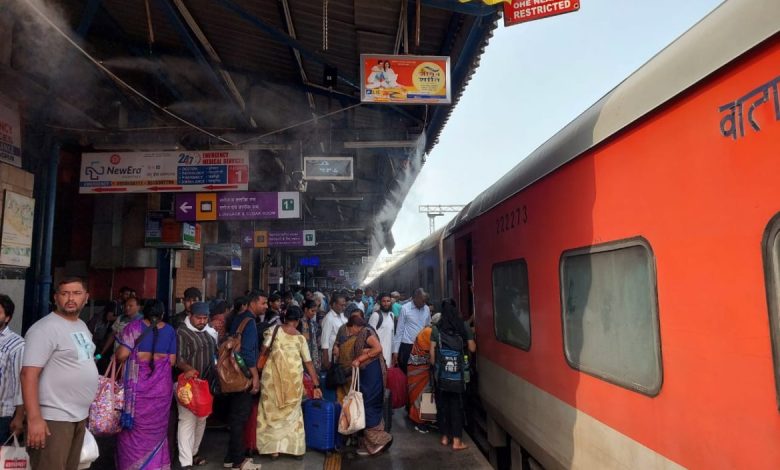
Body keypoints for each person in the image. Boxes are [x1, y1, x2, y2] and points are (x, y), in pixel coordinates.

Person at [21, 278, 99, 470]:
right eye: (65, 294)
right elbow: (28, 374)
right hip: (53, 418)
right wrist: (34, 418)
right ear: (55, 298)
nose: (70, 298)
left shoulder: (81, 325)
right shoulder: (44, 329)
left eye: (76, 293)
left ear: (86, 297)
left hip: (78, 417)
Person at [115, 299, 177, 470]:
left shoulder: (133, 328)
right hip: (161, 392)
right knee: (156, 432)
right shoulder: (170, 331)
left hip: (137, 393)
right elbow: (171, 361)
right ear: (163, 314)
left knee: (132, 433)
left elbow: (121, 356)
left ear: (144, 312)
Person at [256, 306, 322, 458]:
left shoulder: (274, 331)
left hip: (272, 379)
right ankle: (294, 448)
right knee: (292, 414)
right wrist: (316, 384)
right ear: (298, 321)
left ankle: (272, 449)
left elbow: (263, 350)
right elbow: (309, 362)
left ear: (285, 318)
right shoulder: (300, 338)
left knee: (271, 412)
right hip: (293, 382)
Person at [335, 314, 392, 456]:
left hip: (373, 377)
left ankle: (380, 441)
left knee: (369, 405)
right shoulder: (363, 333)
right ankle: (370, 445)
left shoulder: (366, 332)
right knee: (365, 404)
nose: (350, 334)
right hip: (368, 376)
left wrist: (360, 358)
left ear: (354, 326)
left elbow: (377, 348)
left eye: (350, 331)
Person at [224, 291, 265, 470]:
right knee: (240, 417)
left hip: (233, 375)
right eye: (263, 303)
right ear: (253, 303)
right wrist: (255, 376)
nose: (265, 306)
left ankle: (230, 457)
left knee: (235, 416)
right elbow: (248, 353)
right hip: (243, 376)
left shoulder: (238, 319)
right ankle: (238, 462)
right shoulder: (249, 323)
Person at [430, 299, 476, 451]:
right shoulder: (462, 326)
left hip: (441, 375)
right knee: (456, 406)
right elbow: (472, 348)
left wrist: (437, 366)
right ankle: (457, 441)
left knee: (442, 405)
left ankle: (444, 437)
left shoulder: (436, 329)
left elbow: (431, 356)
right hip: (458, 375)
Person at [176, 302, 217, 469]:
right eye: (198, 318)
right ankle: (185, 462)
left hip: (205, 385)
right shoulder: (182, 332)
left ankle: (193, 453)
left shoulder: (208, 332)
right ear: (190, 316)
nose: (202, 321)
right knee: (187, 420)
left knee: (201, 419)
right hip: (187, 385)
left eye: (205, 318)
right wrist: (188, 368)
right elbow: (178, 359)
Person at [0, 294, 24, 443]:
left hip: (3, 416)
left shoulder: (16, 345)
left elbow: (21, 383)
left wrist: (19, 416)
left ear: (7, 318)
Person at [392, 288, 431, 375]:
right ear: (415, 298)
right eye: (422, 301)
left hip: (422, 347)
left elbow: (428, 326)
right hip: (407, 346)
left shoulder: (426, 309)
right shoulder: (405, 308)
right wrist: (396, 351)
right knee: (405, 371)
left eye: (425, 301)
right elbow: (399, 330)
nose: (424, 303)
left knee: (420, 372)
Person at [333, 304, 365, 402]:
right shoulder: (343, 328)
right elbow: (337, 342)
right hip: (342, 368)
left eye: (358, 318)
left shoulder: (363, 331)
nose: (355, 320)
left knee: (354, 396)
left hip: (355, 369)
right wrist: (336, 347)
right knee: (341, 396)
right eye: (353, 317)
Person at [97, 295, 142, 359]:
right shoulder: (121, 318)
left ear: (138, 307)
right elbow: (112, 335)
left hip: (133, 359)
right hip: (116, 356)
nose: (127, 308)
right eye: (125, 306)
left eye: (130, 306)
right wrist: (103, 352)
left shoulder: (142, 321)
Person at [407, 325, 433, 429]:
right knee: (422, 395)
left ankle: (421, 419)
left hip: (416, 369)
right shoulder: (429, 332)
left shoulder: (426, 331)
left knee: (419, 394)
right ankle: (419, 421)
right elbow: (432, 350)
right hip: (422, 369)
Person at [320, 292, 348, 371]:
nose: (344, 307)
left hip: (342, 353)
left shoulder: (342, 316)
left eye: (344, 305)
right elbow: (324, 340)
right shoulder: (329, 318)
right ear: (334, 304)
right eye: (341, 305)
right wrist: (326, 359)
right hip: (332, 355)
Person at [368, 293, 395, 367]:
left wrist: (393, 353)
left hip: (388, 355)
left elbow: (392, 337)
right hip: (377, 356)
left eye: (388, 301)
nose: (386, 303)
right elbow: (369, 336)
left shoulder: (391, 315)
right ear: (380, 302)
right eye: (384, 301)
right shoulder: (375, 316)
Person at [300, 299, 321, 372]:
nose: (314, 313)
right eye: (312, 311)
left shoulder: (313, 323)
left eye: (315, 311)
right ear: (306, 309)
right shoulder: (299, 322)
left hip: (311, 354)